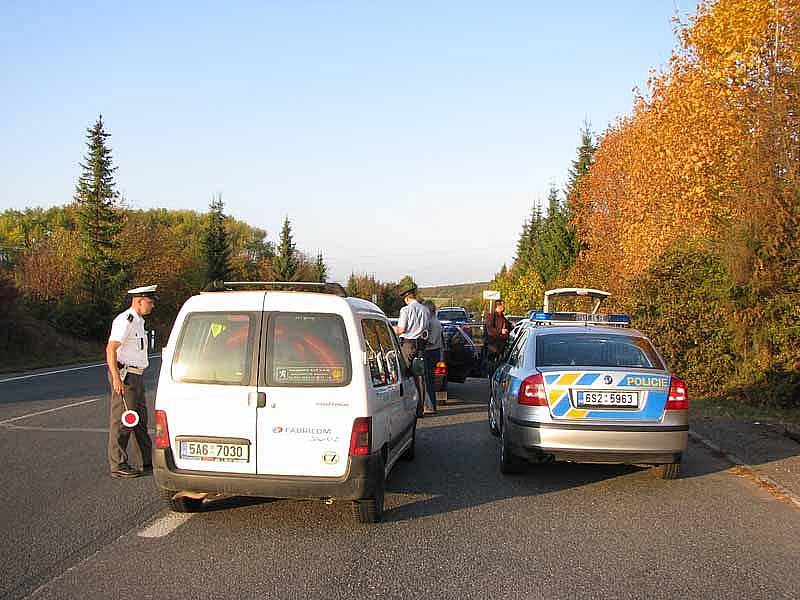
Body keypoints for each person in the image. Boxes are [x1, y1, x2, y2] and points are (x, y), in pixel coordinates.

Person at [106, 284, 157, 478]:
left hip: (136, 375)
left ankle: (146, 460)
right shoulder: (125, 320)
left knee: (140, 420)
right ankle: (118, 463)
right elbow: (111, 349)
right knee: (123, 420)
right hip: (126, 376)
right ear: (139, 301)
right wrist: (117, 378)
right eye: (150, 302)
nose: (152, 306)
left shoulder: (138, 321)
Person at [393, 287, 429, 416]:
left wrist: (392, 329)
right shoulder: (425, 310)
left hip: (408, 344)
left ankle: (403, 407)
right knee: (419, 377)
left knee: (403, 375)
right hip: (421, 345)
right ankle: (420, 409)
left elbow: (402, 329)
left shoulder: (406, 310)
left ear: (407, 298)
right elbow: (426, 329)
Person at [422, 300, 443, 415]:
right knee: (428, 380)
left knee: (428, 380)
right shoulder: (433, 322)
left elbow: (432, 341)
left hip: (431, 352)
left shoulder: (434, 323)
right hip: (432, 352)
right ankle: (429, 405)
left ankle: (430, 406)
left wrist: (420, 343)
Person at [484, 299, 511, 374]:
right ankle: (492, 378)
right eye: (503, 305)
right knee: (493, 365)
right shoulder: (492, 315)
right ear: (499, 306)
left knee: (500, 363)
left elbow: (508, 325)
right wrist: (500, 331)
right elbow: (489, 329)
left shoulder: (502, 316)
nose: (504, 307)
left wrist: (513, 326)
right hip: (494, 346)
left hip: (501, 345)